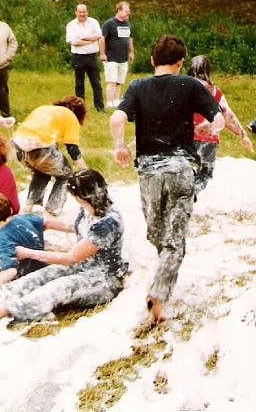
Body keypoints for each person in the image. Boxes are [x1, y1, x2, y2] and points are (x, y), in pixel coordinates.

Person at [109, 34, 224, 323]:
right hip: (181, 170)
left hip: (149, 172)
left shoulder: (137, 86)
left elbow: (115, 119)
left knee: (157, 233)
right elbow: (218, 119)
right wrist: (210, 128)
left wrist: (119, 146)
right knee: (174, 240)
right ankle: (159, 292)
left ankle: (161, 280)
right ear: (181, 62)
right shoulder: (190, 84)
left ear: (151, 60)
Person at [0, 169, 127, 323]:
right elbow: (73, 226)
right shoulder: (89, 208)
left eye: (76, 196)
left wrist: (29, 253)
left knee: (60, 286)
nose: (74, 199)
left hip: (104, 278)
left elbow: (71, 258)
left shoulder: (107, 222)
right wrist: (51, 224)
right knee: (44, 274)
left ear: (86, 196)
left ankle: (5, 310)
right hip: (84, 265)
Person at [13, 95, 88, 216]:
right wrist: (85, 171)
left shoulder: (43, 109)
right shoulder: (70, 116)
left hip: (17, 146)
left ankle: (31, 206)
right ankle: (52, 210)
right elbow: (73, 148)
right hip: (39, 146)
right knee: (66, 174)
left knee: (42, 171)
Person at [188, 55, 253, 194]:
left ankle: (184, 192)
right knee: (204, 174)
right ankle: (192, 194)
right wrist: (242, 135)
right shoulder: (215, 92)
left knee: (184, 169)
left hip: (185, 139)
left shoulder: (181, 90)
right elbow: (228, 116)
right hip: (208, 141)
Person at [0, 192, 47, 285]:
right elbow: (43, 223)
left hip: (25, 278)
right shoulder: (26, 218)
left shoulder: (1, 240)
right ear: (11, 210)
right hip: (42, 265)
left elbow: (10, 272)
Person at [66, 4, 105, 113]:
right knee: (79, 84)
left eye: (84, 12)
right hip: (78, 57)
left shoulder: (94, 22)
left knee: (96, 83)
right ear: (76, 12)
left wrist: (83, 39)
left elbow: (99, 35)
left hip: (92, 56)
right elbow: (74, 42)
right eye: (80, 12)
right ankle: (80, 109)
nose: (82, 14)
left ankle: (100, 107)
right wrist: (91, 40)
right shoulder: (71, 25)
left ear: (87, 12)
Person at [99, 1, 134, 109]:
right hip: (111, 58)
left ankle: (116, 100)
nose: (128, 13)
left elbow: (130, 39)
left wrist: (131, 52)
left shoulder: (128, 24)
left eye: (129, 11)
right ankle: (109, 102)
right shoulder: (109, 23)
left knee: (119, 81)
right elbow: (102, 39)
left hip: (123, 58)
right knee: (111, 81)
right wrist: (102, 53)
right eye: (126, 11)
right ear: (119, 10)